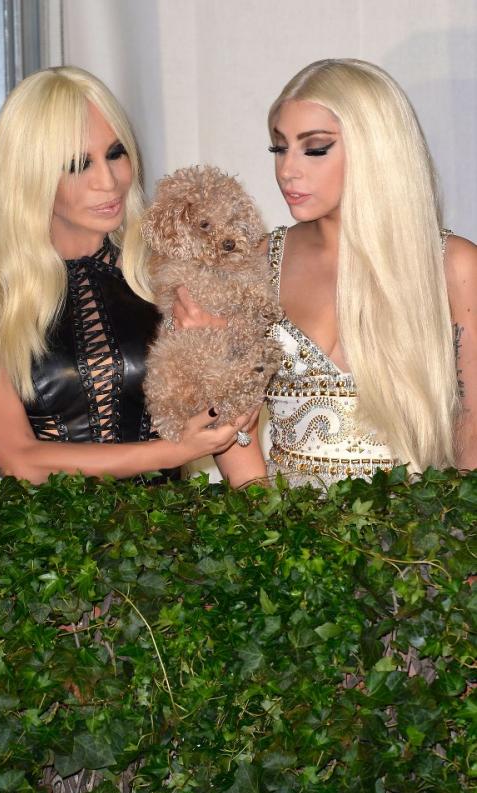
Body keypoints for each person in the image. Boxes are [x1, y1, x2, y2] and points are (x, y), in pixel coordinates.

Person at [0, 66, 257, 485]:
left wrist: (266, 515)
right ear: (28, 174)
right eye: (78, 164)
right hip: (46, 527)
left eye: (115, 153)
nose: (108, 182)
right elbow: (18, 459)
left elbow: (234, 433)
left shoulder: (172, 275)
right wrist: (173, 451)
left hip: (171, 523)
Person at [175, 58, 477, 487]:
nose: (287, 170)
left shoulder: (451, 264)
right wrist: (264, 515)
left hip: (415, 521)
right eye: (279, 148)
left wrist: (448, 520)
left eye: (314, 149)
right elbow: (233, 424)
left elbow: (472, 425)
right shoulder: (253, 263)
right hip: (281, 521)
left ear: (376, 148)